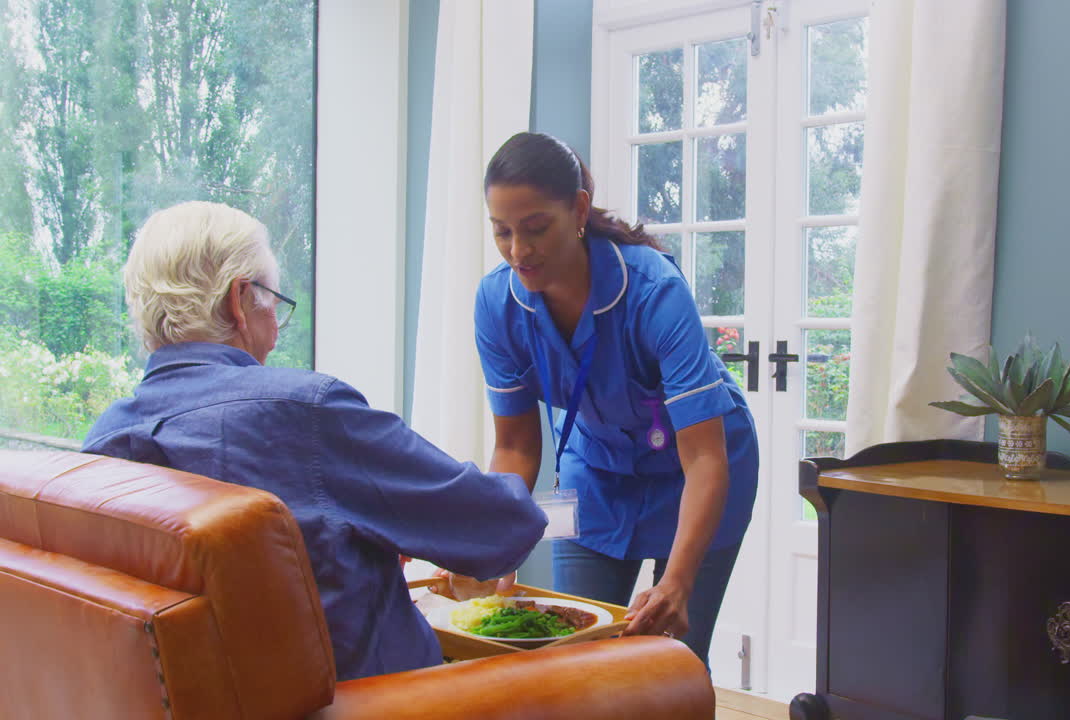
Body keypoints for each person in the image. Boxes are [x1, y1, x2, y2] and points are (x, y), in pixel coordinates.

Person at [82, 201, 547, 681]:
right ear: (239, 301)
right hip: (370, 702)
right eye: (273, 302)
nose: (276, 337)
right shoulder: (305, 412)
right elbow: (498, 525)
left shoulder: (102, 444)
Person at [471, 132, 759, 664]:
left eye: (535, 228)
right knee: (578, 658)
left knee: (671, 661)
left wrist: (677, 582)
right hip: (597, 468)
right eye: (502, 231)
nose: (519, 251)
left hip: (700, 465)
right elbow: (513, 446)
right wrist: (496, 542)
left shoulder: (653, 290)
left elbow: (704, 455)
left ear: (578, 208)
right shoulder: (497, 303)